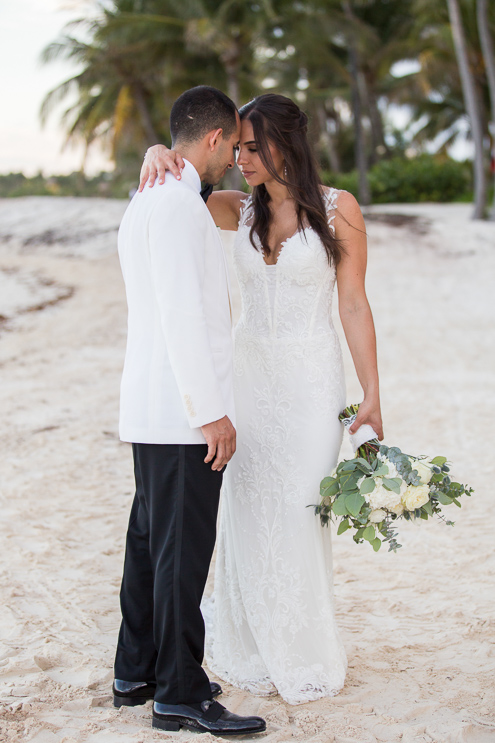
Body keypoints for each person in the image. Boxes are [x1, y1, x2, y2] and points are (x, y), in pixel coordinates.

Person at [140, 93, 383, 705]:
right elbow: (181, 187)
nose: (242, 158)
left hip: (309, 379)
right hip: (247, 381)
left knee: (302, 512)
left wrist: (372, 392)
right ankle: (248, 645)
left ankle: (301, 648)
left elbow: (353, 303)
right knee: (245, 513)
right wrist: (157, 151)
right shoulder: (236, 208)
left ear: (287, 144)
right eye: (239, 147)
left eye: (253, 147)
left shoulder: (339, 208)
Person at [113, 85, 266, 735]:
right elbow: (181, 316)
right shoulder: (175, 208)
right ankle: (179, 689)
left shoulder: (149, 196)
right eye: (233, 144)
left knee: (150, 544)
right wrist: (210, 412)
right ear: (210, 140)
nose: (235, 157)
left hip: (149, 404)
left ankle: (136, 669)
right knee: (181, 553)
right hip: (180, 412)